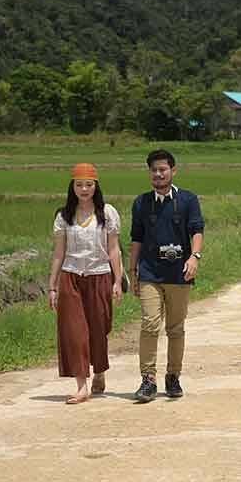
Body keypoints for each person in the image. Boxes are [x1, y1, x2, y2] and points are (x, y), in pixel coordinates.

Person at [129, 149, 204, 402]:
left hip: (179, 273)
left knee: (175, 328)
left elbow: (197, 230)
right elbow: (136, 239)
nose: (158, 174)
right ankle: (148, 379)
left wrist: (194, 257)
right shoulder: (141, 203)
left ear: (173, 171)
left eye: (163, 169)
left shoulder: (188, 200)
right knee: (150, 324)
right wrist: (133, 271)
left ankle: (173, 376)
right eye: (154, 170)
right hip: (149, 272)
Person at [48, 163, 124, 404]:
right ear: (72, 187)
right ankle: (82, 386)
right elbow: (59, 253)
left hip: (100, 276)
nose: (84, 189)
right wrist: (52, 286)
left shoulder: (107, 213)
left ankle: (99, 371)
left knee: (99, 329)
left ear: (96, 186)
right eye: (79, 184)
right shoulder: (64, 216)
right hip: (71, 277)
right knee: (74, 331)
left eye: (88, 184)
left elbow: (114, 250)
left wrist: (117, 281)